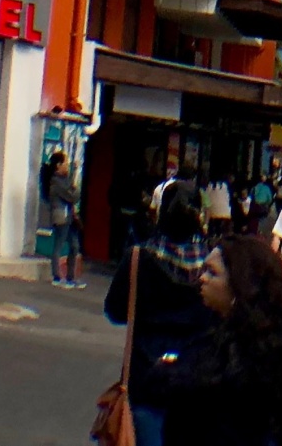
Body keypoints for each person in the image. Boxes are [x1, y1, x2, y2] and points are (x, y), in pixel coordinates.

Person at [155, 233, 282, 446]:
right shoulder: (218, 329)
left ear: (239, 285)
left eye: (212, 273)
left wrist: (167, 372)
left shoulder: (246, 351)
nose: (202, 278)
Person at [105, 182, 215, 446]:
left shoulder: (137, 259)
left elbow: (115, 311)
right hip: (196, 381)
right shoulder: (214, 266)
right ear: (198, 216)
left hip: (146, 379)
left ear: (160, 213)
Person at [44, 150, 84, 289]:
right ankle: (56, 276)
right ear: (58, 165)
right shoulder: (56, 182)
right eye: (65, 163)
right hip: (61, 216)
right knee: (59, 245)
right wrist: (76, 189)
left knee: (74, 246)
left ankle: (70, 277)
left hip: (69, 217)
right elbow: (72, 196)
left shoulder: (64, 180)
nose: (67, 166)